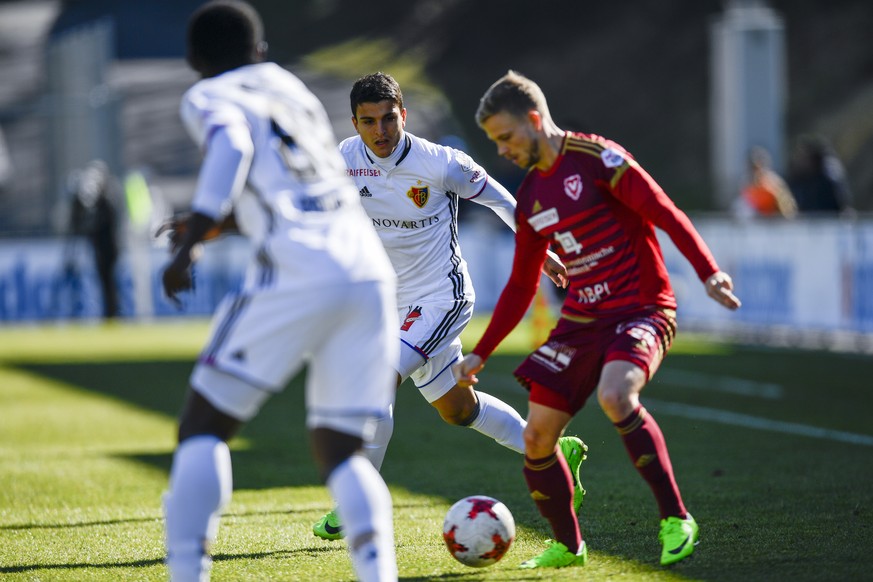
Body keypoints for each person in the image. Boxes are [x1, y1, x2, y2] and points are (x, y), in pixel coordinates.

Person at [454, 70, 742, 569]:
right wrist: (483, 350)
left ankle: (676, 518)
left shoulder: (598, 159)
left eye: (506, 136)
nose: (501, 149)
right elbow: (522, 284)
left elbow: (664, 212)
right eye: (494, 141)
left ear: (535, 120)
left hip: (642, 306)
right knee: (537, 436)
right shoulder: (531, 199)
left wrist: (709, 272)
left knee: (615, 394)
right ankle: (569, 545)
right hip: (583, 319)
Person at [160, 3, 398, 581]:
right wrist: (224, 223)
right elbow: (300, 185)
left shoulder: (208, 95)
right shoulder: (291, 88)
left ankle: (186, 572)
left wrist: (191, 237)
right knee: (341, 448)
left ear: (195, 60)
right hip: (366, 269)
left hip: (297, 269)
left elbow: (233, 148)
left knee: (203, 427)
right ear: (260, 50)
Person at [311, 72, 588, 541]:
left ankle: (355, 505)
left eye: (388, 119)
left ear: (404, 114)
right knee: (458, 410)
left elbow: (504, 202)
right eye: (368, 121)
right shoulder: (343, 159)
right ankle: (551, 452)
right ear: (354, 123)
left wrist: (543, 252)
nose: (380, 131)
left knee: (378, 382)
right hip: (389, 307)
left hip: (442, 296)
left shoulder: (440, 162)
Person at [68, 159, 121, 319]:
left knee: (108, 283)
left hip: (108, 249)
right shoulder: (102, 202)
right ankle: (109, 313)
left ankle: (112, 313)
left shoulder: (107, 202)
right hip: (101, 249)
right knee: (104, 282)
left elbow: (98, 225)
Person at [787, 134, 853, 215]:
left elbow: (840, 203)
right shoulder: (799, 178)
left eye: (804, 157)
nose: (801, 160)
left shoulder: (828, 176)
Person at [734, 145, 797, 219]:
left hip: (773, 220)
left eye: (758, 166)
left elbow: (787, 207)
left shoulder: (773, 181)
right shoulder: (746, 182)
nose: (756, 171)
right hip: (755, 221)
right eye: (753, 167)